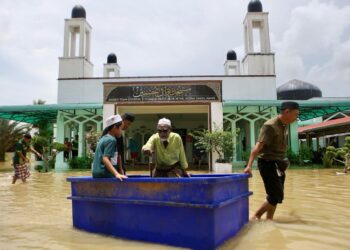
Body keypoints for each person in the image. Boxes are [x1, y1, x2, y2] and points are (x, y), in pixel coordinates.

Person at [244, 101, 299, 220]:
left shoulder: (284, 125)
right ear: (287, 111)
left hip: (279, 165)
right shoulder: (270, 126)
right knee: (276, 196)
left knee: (275, 196)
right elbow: (258, 147)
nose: (296, 117)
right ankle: (256, 216)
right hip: (268, 163)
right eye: (295, 114)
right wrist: (249, 166)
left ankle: (269, 220)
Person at [92, 114, 127, 181]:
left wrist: (120, 170)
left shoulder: (104, 138)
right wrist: (116, 174)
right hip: (105, 173)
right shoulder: (111, 140)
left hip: (97, 173)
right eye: (121, 128)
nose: (121, 131)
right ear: (114, 127)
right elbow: (105, 159)